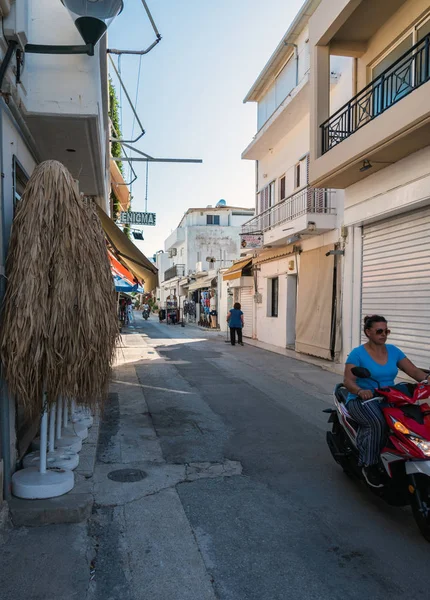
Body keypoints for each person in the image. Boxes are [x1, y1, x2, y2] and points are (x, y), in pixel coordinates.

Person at [344, 314, 429, 488]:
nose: (384, 334)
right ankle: (368, 465)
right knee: (377, 423)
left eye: (386, 331)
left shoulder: (394, 351)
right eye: (379, 331)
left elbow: (414, 372)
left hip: (391, 397)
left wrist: (427, 379)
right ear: (368, 332)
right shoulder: (357, 354)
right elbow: (348, 381)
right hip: (363, 400)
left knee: (413, 422)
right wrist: (360, 391)